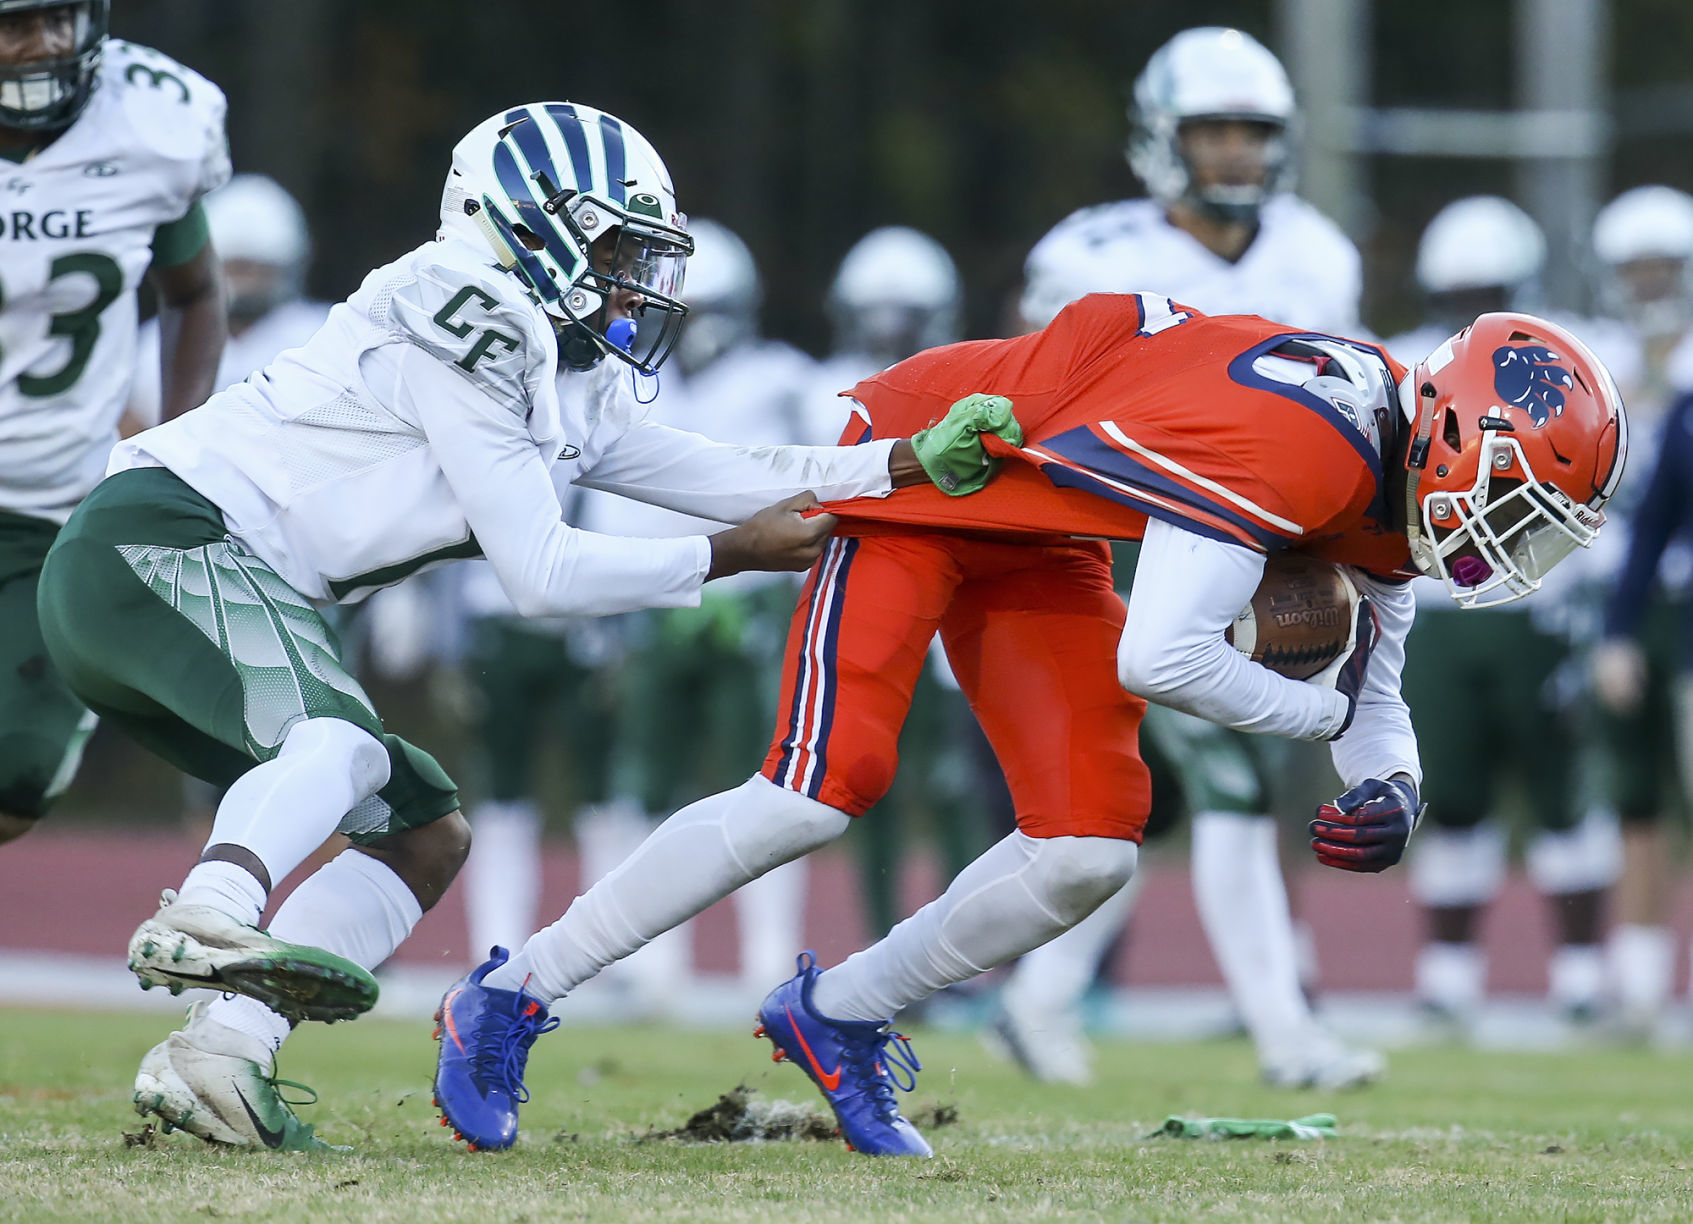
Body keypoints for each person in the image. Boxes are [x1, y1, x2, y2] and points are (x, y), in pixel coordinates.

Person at [431, 296, 1626, 1156]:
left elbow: (1375, 675)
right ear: (1462, 437)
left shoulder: (1393, 462)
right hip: (934, 465)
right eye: (1517, 508)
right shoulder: (1306, 447)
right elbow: (1160, 656)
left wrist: (1391, 780)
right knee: (818, 783)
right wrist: (1312, 713)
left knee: (1089, 843)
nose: (1508, 546)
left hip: (1041, 517)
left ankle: (840, 1011)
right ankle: (511, 991)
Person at [35, 101, 991, 1151]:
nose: (634, 275)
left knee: (423, 834)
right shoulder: (466, 308)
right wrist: (727, 558)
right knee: (339, 742)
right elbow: (541, 571)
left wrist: (894, 466)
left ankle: (219, 1058)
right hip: (156, 538)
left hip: (181, 570)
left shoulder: (556, 362)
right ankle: (208, 910)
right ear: (526, 228)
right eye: (616, 246)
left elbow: (726, 473)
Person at [997, 25, 1376, 1089]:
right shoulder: (1094, 255)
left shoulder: (1314, 252)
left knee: (1156, 799)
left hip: (1258, 553)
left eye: (1251, 133)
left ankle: (1034, 999)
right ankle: (1287, 1037)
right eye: (1211, 132)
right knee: (1227, 780)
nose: (1234, 155)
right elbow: (1033, 403)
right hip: (1119, 543)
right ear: (1163, 138)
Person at [1385, 197, 1633, 1031]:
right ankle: (1446, 978)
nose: (1469, 308)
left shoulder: (1562, 359)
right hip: (1438, 605)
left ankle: (1580, 977)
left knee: (1563, 794)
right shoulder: (1409, 363)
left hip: (1539, 602)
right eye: (1457, 292)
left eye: (1483, 289)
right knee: (1447, 794)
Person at [0, 0, 229, 847]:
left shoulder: (151, 124)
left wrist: (177, 450)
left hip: (53, 508)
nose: (46, 44)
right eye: (17, 23)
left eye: (61, 18)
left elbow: (196, 293)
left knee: (17, 780)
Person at [814, 226, 991, 946]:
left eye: (903, 316)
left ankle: (959, 953)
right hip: (859, 601)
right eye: (876, 314)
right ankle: (881, 943)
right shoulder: (815, 391)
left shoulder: (968, 384)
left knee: (953, 783)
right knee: (861, 782)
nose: (888, 332)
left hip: (942, 611)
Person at [1586, 186, 1693, 1037]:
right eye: (1636, 268)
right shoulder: (1586, 358)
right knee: (1635, 801)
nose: (1650, 282)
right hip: (1622, 588)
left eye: (1664, 266)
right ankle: (1638, 990)